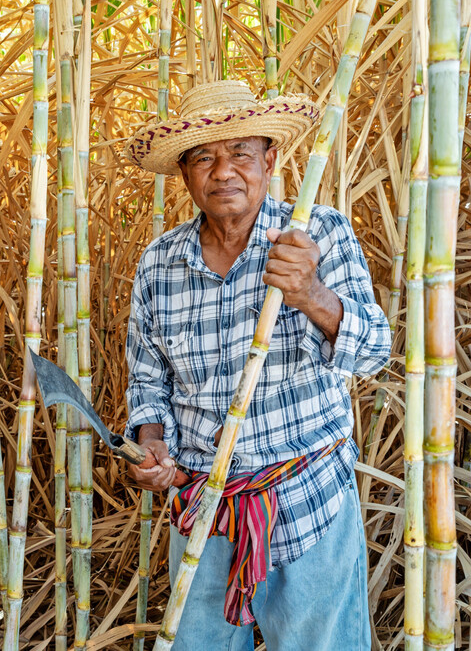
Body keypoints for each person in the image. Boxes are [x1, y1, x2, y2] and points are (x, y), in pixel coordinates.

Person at [123, 80, 391, 650]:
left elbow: (374, 353)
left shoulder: (316, 234)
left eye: (240, 153)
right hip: (204, 513)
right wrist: (151, 446)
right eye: (204, 158)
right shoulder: (159, 263)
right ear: (186, 176)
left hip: (307, 499)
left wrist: (310, 292)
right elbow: (148, 379)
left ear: (270, 160)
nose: (223, 171)